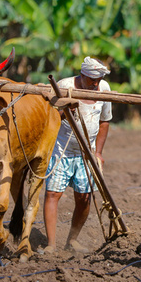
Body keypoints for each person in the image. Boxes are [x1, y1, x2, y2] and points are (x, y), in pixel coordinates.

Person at [43, 57, 112, 253]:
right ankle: (51, 245)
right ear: (81, 76)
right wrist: (65, 112)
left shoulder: (104, 89)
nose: (95, 84)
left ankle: (72, 240)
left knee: (84, 198)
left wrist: (98, 152)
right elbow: (49, 118)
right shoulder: (64, 86)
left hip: (86, 152)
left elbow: (105, 121)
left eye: (98, 80)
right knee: (52, 194)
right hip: (61, 150)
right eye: (91, 80)